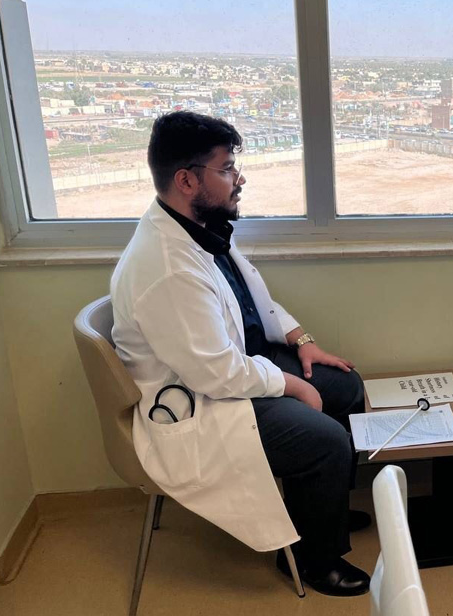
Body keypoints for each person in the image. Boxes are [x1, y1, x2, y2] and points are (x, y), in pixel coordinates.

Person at [111, 111, 370, 596]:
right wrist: (292, 385)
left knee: (346, 387)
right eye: (227, 169)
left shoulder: (196, 228)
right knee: (327, 440)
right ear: (187, 180)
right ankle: (315, 560)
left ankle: (322, 511)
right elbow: (215, 374)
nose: (240, 179)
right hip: (206, 400)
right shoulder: (167, 267)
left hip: (241, 366)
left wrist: (302, 340)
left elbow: (252, 300)